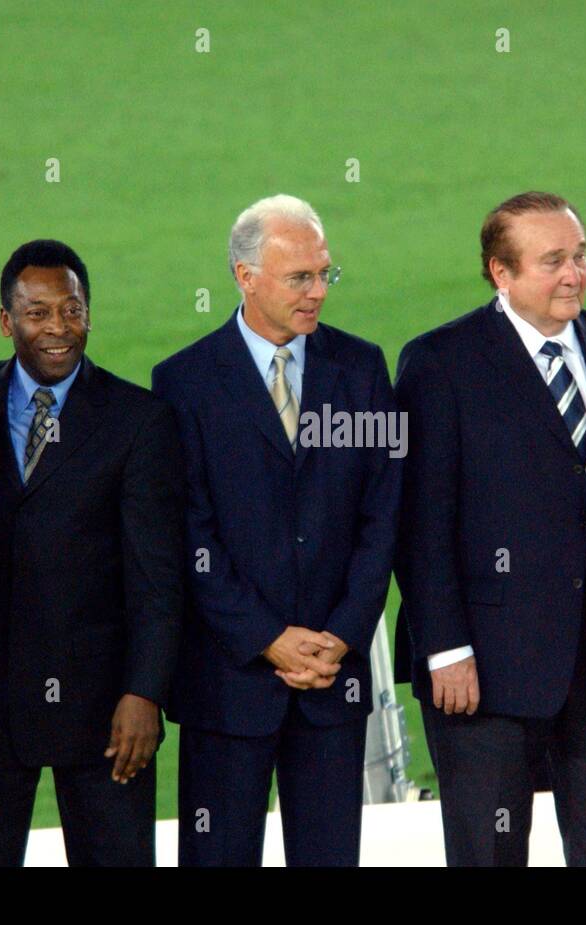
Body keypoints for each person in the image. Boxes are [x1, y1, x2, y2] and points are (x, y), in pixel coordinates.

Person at [394, 191, 586, 866]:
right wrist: (444, 649)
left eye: (580, 255)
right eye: (553, 260)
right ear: (501, 272)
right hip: (484, 667)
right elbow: (421, 522)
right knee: (491, 853)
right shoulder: (440, 363)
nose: (574, 273)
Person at [152, 195, 400, 867]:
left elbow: (383, 518)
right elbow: (190, 532)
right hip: (228, 685)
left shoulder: (363, 369)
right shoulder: (183, 383)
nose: (318, 291)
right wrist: (266, 638)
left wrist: (341, 636)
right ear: (245, 275)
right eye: (300, 278)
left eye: (325, 274)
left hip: (331, 678)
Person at [0, 240, 185, 867]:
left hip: (106, 712)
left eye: (71, 310)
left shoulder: (139, 420)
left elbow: (157, 578)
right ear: (5, 321)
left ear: (88, 314)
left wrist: (145, 694)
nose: (57, 329)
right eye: (37, 313)